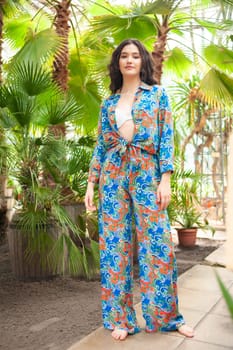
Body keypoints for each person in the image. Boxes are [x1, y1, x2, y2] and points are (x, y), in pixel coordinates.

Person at [85, 38, 194, 341]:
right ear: (117, 63)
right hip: (113, 174)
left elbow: (167, 137)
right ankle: (121, 319)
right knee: (115, 249)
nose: (129, 60)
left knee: (157, 245)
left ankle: (167, 318)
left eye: (135, 56)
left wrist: (166, 177)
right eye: (124, 56)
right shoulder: (109, 103)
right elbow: (102, 145)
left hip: (147, 173)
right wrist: (92, 182)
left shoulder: (157, 95)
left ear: (143, 61)